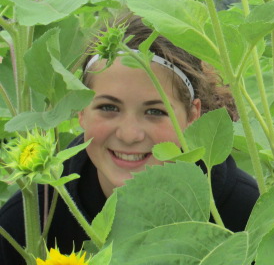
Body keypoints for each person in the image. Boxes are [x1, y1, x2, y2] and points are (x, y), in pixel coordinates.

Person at [0, 15, 260, 263]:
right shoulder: (30, 223)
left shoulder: (244, 213)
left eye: (155, 111)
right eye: (108, 107)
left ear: (193, 115)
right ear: (80, 110)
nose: (129, 134)